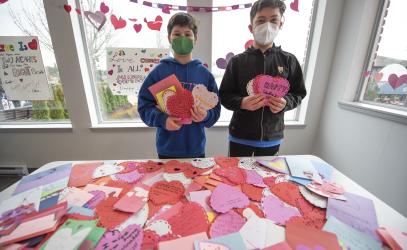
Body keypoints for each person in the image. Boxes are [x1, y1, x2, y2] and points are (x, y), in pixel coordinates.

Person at [219, 0, 306, 157]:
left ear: (281, 24)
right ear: (251, 27)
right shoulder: (237, 62)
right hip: (240, 136)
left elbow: (299, 93)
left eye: (273, 20)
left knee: (266, 180)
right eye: (261, 20)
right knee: (235, 178)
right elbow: (224, 95)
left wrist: (286, 102)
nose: (267, 25)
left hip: (272, 137)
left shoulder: (289, 61)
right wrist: (241, 103)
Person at [138, 12, 221, 159]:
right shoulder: (159, 72)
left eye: (188, 34)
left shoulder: (204, 75)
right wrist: (163, 120)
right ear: (169, 38)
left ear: (195, 39)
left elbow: (215, 109)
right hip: (166, 149)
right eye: (177, 34)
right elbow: (144, 106)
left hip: (196, 149)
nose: (182, 38)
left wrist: (205, 116)